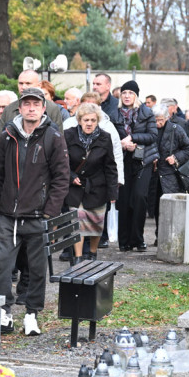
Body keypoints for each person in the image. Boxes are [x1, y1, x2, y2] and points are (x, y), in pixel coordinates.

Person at [0, 87, 69, 337]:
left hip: (38, 215)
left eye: (36, 104)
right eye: (26, 104)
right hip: (7, 215)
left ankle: (31, 314)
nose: (31, 108)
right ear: (19, 108)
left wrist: (49, 212)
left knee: (36, 269)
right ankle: (4, 312)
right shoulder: (7, 135)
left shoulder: (53, 137)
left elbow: (61, 179)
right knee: (1, 266)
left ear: (43, 108)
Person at [63, 102, 118, 262]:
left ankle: (92, 253)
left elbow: (110, 166)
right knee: (77, 222)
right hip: (75, 186)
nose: (89, 123)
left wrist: (113, 192)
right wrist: (71, 176)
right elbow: (61, 161)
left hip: (97, 186)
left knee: (96, 224)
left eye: (93, 120)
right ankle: (78, 257)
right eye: (86, 120)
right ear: (79, 120)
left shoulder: (105, 137)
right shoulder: (68, 135)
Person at [113, 80, 157, 252]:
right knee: (123, 201)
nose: (127, 96)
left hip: (143, 160)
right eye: (124, 93)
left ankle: (138, 239)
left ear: (136, 95)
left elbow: (152, 135)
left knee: (139, 198)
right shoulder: (114, 114)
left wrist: (133, 139)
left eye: (130, 93)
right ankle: (124, 241)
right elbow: (111, 136)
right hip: (123, 161)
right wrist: (123, 144)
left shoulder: (146, 113)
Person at [152, 105, 189, 242]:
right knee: (155, 208)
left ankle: (170, 237)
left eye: (160, 120)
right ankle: (159, 236)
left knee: (170, 207)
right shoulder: (151, 129)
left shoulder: (176, 130)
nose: (158, 123)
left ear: (167, 118)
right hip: (154, 174)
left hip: (170, 174)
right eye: (155, 120)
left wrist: (175, 158)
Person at [0, 70, 65, 125]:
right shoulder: (8, 110)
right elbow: (2, 139)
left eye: (28, 83)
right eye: (21, 83)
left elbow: (58, 137)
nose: (23, 87)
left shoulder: (52, 109)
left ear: (38, 85)